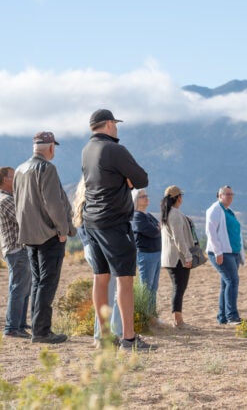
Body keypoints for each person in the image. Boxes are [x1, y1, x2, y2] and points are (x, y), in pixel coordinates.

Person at [81, 109, 156, 351]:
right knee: (125, 279)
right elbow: (142, 179)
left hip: (91, 221)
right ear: (110, 124)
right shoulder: (114, 149)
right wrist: (127, 180)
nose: (117, 128)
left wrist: (125, 179)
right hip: (114, 221)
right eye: (115, 124)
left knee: (100, 277)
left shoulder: (87, 150)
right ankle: (129, 339)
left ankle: (103, 337)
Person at [13, 131, 76, 344]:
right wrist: (62, 229)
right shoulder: (47, 168)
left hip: (29, 235)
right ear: (50, 148)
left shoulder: (20, 170)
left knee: (38, 282)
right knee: (47, 283)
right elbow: (53, 203)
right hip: (49, 235)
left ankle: (38, 329)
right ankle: (42, 331)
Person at [73, 177, 122, 347]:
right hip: (98, 247)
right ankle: (102, 335)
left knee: (105, 291)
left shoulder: (82, 203)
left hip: (89, 247)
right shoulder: (94, 203)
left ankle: (101, 334)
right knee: (108, 292)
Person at [0, 166, 31, 339]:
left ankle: (19, 324)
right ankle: (12, 327)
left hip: (19, 249)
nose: (16, 178)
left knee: (23, 288)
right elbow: (23, 218)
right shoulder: (5, 200)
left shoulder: (8, 198)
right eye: (13, 176)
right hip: (17, 249)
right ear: (5, 180)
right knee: (18, 289)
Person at [205, 185, 245, 325]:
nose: (230, 196)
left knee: (226, 283)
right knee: (232, 281)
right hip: (222, 253)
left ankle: (222, 317)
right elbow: (211, 232)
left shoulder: (229, 211)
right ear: (219, 195)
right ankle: (232, 316)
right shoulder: (215, 210)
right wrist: (218, 252)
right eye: (227, 194)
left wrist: (240, 254)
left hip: (233, 253)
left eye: (231, 194)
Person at [160, 185, 194, 328]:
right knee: (179, 288)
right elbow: (178, 238)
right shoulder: (174, 214)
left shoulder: (169, 213)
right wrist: (188, 256)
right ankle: (178, 321)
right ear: (178, 197)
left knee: (178, 287)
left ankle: (178, 319)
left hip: (171, 258)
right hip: (177, 258)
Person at [132, 188, 161, 313]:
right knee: (146, 287)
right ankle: (145, 315)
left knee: (153, 287)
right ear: (136, 200)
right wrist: (157, 228)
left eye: (146, 195)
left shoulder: (147, 215)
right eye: (142, 196)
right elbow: (154, 231)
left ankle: (152, 315)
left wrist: (157, 228)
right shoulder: (136, 216)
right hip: (145, 254)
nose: (146, 198)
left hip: (156, 254)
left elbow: (159, 228)